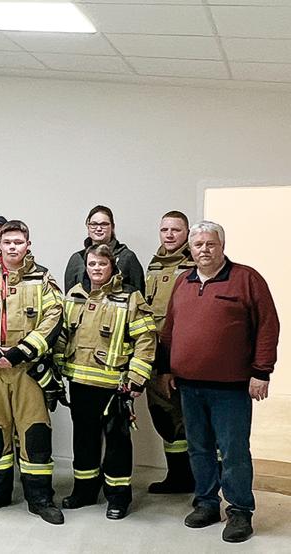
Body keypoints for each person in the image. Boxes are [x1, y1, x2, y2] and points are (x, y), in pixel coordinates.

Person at [162, 221, 279, 543]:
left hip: (231, 387)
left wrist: (261, 371)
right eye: (198, 245)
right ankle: (206, 503)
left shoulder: (246, 279)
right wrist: (168, 368)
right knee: (198, 449)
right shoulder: (184, 281)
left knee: (233, 451)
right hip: (188, 384)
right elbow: (171, 328)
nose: (204, 250)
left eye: (210, 244)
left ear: (221, 245)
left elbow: (268, 327)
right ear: (191, 248)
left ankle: (240, 510)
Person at [0, 220, 65, 525]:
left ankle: (40, 497)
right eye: (7, 242)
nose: (12, 247)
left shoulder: (42, 279)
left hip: (28, 368)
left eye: (18, 242)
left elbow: (53, 317)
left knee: (34, 433)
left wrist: (21, 352)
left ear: (27, 245)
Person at [54, 244, 157, 520]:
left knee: (117, 443)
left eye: (102, 264)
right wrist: (56, 368)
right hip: (80, 383)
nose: (96, 269)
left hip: (115, 386)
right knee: (84, 440)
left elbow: (146, 341)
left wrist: (136, 378)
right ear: (85, 266)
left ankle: (118, 498)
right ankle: (85, 491)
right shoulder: (73, 296)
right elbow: (63, 336)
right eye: (92, 264)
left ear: (112, 267)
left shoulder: (130, 298)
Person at [143, 211, 196, 494]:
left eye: (176, 229)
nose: (170, 234)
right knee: (166, 418)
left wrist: (174, 364)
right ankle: (178, 478)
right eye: (165, 229)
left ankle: (206, 485)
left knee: (192, 421)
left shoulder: (195, 265)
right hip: (154, 354)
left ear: (186, 232)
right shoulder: (154, 265)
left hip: (180, 357)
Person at [64, 205, 144, 292]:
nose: (98, 229)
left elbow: (138, 296)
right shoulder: (77, 259)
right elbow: (70, 297)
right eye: (94, 224)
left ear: (112, 227)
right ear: (88, 227)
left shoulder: (127, 258)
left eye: (104, 224)